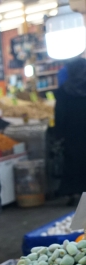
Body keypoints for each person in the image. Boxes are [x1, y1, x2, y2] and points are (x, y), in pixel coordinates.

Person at [54, 58, 86, 204]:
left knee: (72, 161)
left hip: (72, 133)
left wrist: (59, 133)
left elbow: (60, 114)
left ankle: (72, 192)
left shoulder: (64, 90)